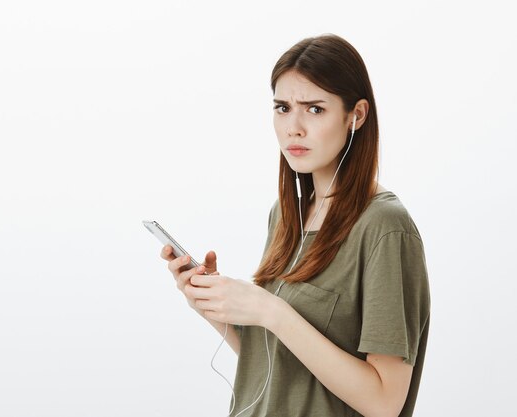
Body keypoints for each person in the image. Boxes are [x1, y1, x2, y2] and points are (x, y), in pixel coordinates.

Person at [159, 33, 430, 417]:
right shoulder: (287, 214)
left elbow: (384, 402)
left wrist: (270, 310)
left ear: (356, 115)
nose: (294, 127)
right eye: (283, 108)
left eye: (315, 109)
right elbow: (278, 360)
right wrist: (215, 306)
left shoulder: (384, 226)